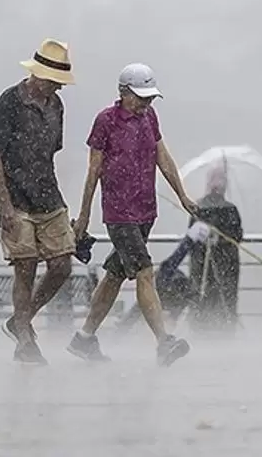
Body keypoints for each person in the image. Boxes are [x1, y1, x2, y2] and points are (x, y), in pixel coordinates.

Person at [67, 63, 197, 367]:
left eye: (150, 98)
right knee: (144, 270)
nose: (145, 103)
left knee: (114, 274)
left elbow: (162, 157)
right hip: (119, 213)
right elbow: (93, 171)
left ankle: (84, 338)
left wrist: (182, 195)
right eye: (140, 97)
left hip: (145, 210)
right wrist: (84, 216)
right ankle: (164, 342)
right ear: (123, 92)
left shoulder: (150, 117)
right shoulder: (106, 121)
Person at [0, 38, 78, 365]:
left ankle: (21, 318)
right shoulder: (10, 102)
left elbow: (51, 153)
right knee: (25, 267)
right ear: (40, 75)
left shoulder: (56, 106)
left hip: (49, 196)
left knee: (62, 264)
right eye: (55, 81)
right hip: (17, 198)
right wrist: (4, 202)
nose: (59, 88)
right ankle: (24, 337)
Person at [114, 221, 213, 333]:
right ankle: (192, 240)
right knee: (170, 275)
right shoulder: (176, 299)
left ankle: (192, 240)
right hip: (174, 291)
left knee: (166, 276)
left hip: (171, 289)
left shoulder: (160, 291)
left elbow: (135, 313)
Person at [188, 167, 244, 334]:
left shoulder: (198, 208)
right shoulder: (230, 209)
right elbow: (237, 236)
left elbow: (191, 237)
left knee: (203, 295)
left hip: (202, 263)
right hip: (226, 264)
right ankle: (225, 329)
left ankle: (202, 328)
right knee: (226, 297)